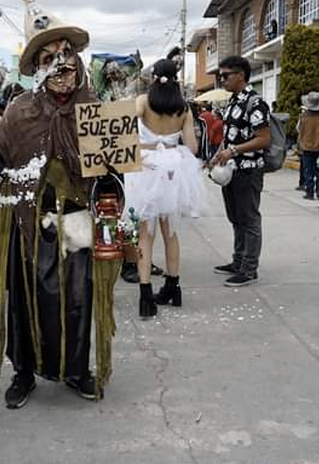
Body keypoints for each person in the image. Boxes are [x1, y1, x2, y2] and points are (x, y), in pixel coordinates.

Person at [0, 1, 119, 409]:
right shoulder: (19, 111)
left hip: (78, 220)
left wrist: (110, 181)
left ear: (78, 62)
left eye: (66, 55)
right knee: (27, 296)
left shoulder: (97, 111)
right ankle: (24, 372)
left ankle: (77, 370)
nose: (60, 64)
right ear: (38, 69)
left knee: (79, 298)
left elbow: (117, 171)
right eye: (50, 58)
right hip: (29, 221)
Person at [124, 59, 206, 318]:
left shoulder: (142, 102)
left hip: (146, 168)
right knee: (170, 232)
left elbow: (123, 130)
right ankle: (173, 287)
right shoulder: (183, 108)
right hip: (172, 169)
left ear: (153, 78)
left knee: (145, 234)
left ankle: (146, 295)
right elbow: (192, 148)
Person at [212, 56, 271, 287]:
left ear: (240, 75)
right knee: (235, 217)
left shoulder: (255, 103)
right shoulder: (233, 101)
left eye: (225, 75)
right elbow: (230, 135)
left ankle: (249, 268)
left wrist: (234, 150)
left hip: (248, 171)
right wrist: (220, 153)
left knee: (249, 219)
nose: (222, 80)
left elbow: (264, 139)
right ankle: (237, 261)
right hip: (231, 170)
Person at [297, 92, 319, 201]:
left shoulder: (302, 117)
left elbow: (298, 130)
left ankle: (309, 192)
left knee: (308, 171)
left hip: (306, 147)